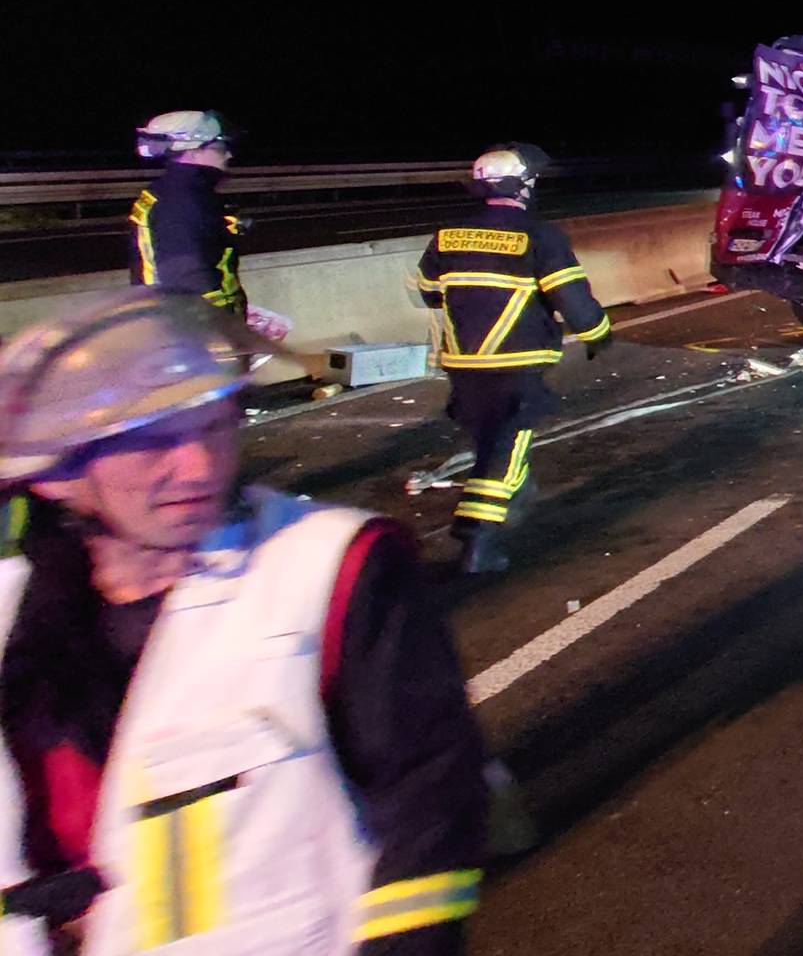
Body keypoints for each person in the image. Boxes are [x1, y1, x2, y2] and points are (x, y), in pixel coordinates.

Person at [0, 290, 492, 954]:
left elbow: (430, 796)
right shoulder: (11, 620)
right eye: (154, 443)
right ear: (58, 473)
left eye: (216, 426)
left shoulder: (331, 570)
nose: (199, 467)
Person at [412, 144, 610, 574]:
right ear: (524, 186)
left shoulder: (446, 234)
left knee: (492, 439)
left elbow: (428, 290)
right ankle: (477, 537)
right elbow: (571, 298)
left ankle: (514, 496)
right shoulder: (540, 236)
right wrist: (598, 334)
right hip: (516, 359)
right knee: (506, 443)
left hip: (463, 362)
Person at [126, 112, 246, 323]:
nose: (228, 156)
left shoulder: (172, 191)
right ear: (191, 151)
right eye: (220, 148)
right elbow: (188, 276)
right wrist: (225, 329)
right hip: (196, 333)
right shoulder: (183, 201)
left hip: (181, 326)